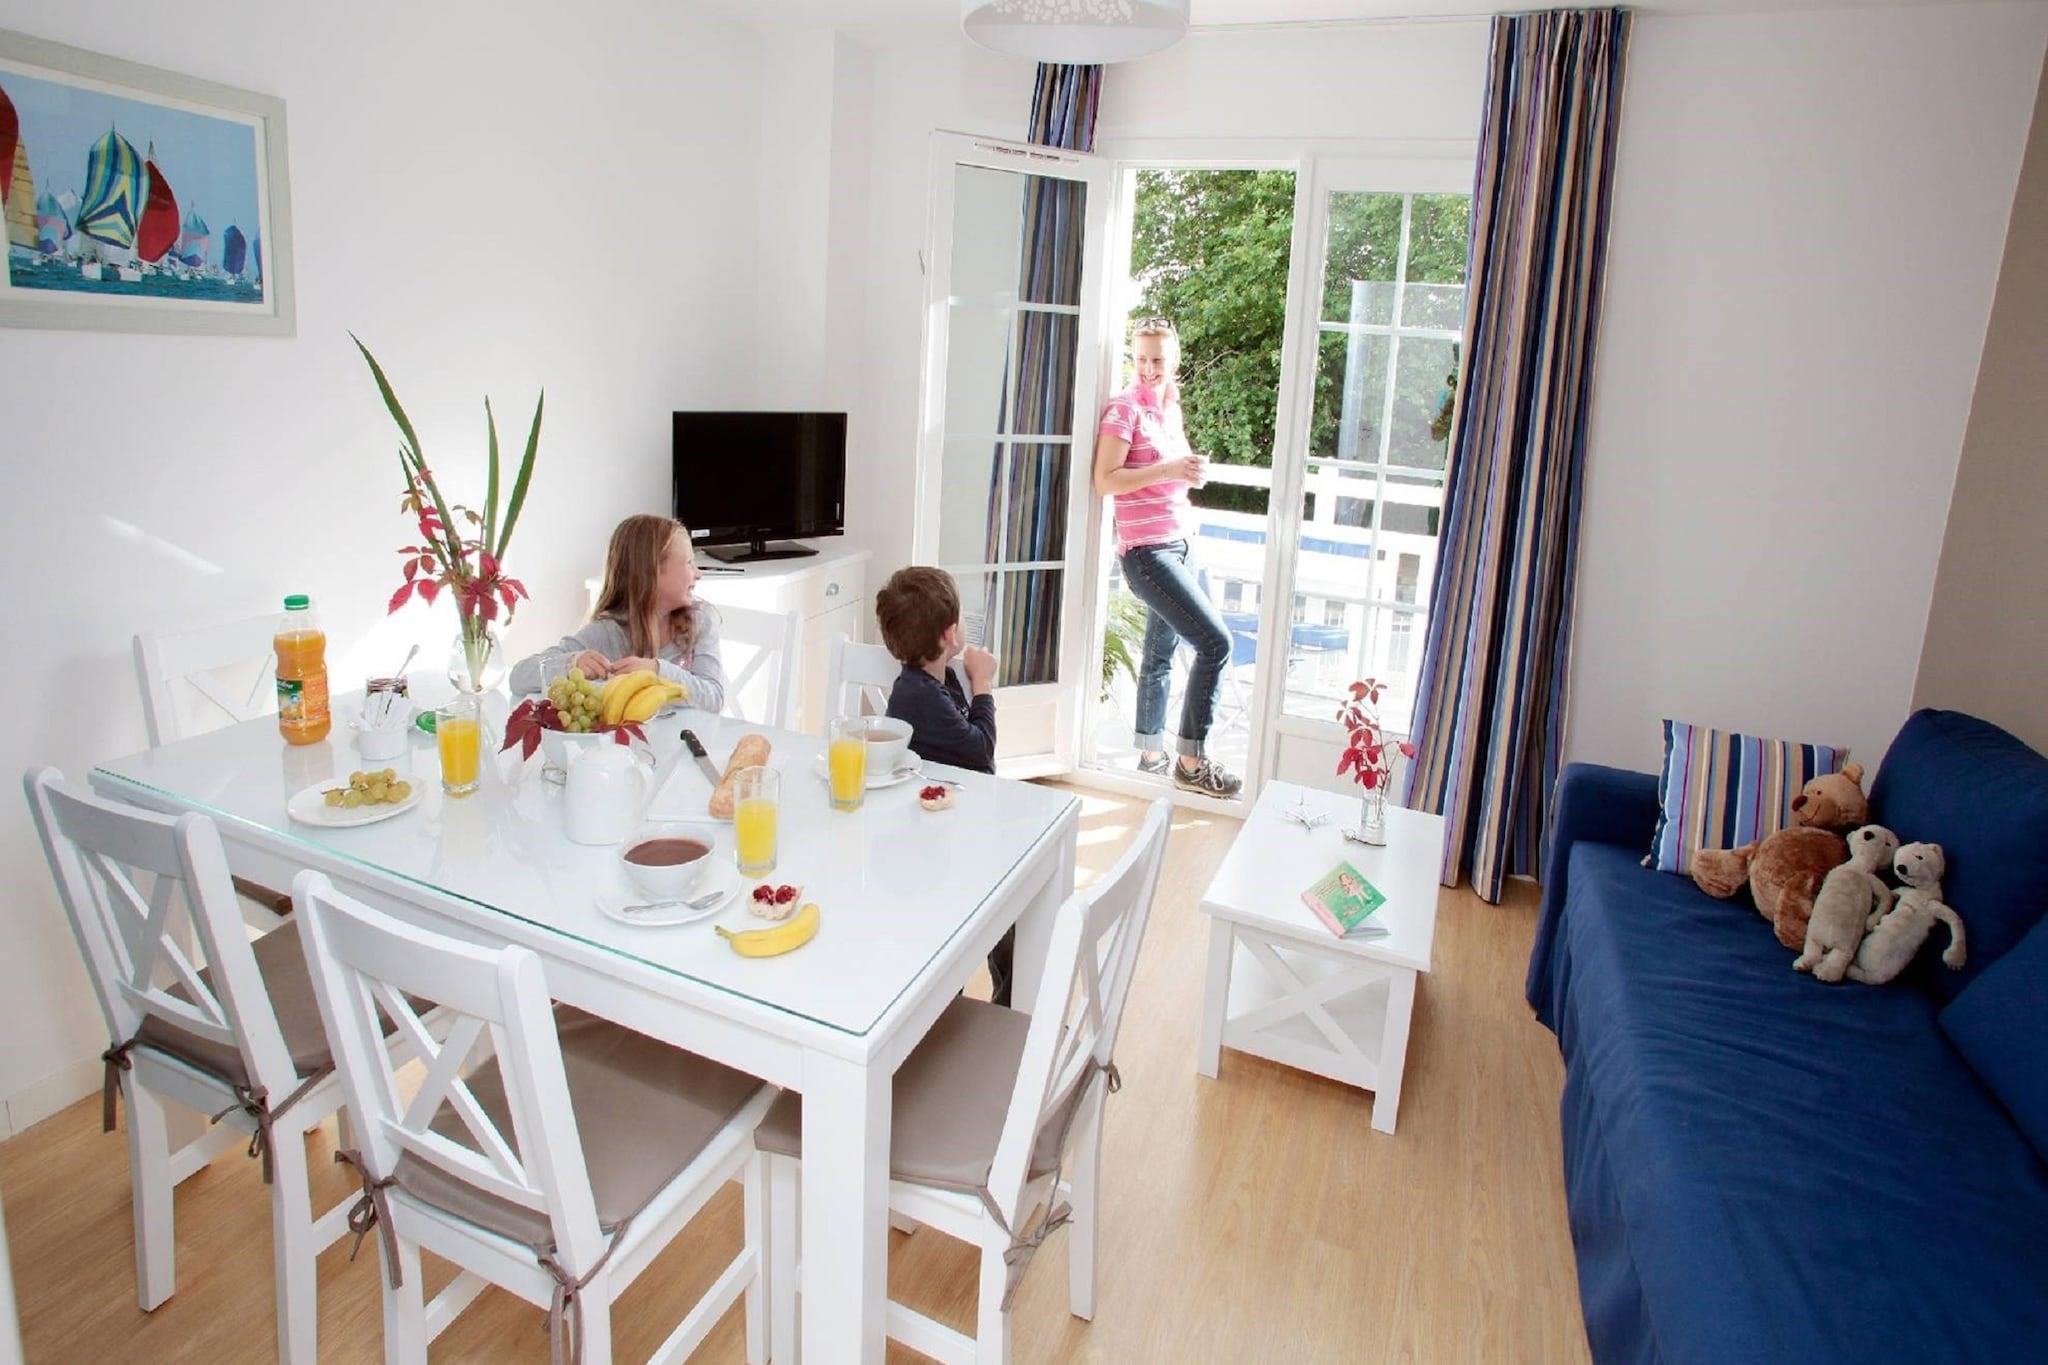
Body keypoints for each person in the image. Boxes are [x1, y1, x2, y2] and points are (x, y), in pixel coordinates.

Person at [1094, 317, 1243, 797]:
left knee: (1159, 653)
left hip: (1182, 542)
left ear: (1173, 359)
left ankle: (1150, 756)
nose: (1148, 368)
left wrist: (1188, 472)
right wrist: (1168, 469)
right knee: (1215, 644)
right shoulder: (1123, 409)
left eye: (1157, 359)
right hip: (1147, 553)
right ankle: (1191, 764)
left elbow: (1169, 473)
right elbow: (1106, 480)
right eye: (1140, 358)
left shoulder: (1170, 407)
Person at [875, 565, 1011, 1004]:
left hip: (946, 823)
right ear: (950, 635)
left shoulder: (935, 678)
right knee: (1007, 900)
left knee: (1006, 900)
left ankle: (1004, 999)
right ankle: (1007, 1005)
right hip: (933, 843)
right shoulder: (919, 694)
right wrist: (983, 683)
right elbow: (981, 750)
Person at [508, 514, 728, 710]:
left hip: (687, 739)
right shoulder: (606, 632)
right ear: (652, 573)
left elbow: (714, 698)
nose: (698, 574)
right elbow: (518, 677)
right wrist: (572, 663)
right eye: (689, 563)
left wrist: (657, 672)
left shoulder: (700, 620)